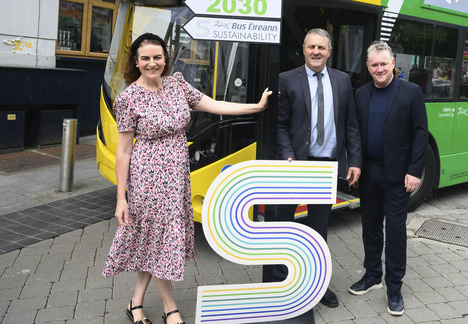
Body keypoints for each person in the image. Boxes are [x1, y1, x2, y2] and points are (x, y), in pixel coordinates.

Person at [102, 33, 272, 324]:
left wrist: (255, 107)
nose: (152, 63)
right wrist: (122, 197)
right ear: (136, 61)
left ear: (166, 58)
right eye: (145, 58)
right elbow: (123, 152)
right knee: (160, 242)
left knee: (153, 241)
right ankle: (171, 308)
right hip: (149, 181)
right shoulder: (128, 98)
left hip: (178, 178)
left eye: (157, 57)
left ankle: (136, 304)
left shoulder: (177, 85)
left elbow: (213, 104)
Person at [266, 28, 362, 308]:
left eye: (321, 47)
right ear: (304, 50)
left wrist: (354, 160)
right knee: (284, 222)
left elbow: (351, 124)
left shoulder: (343, 81)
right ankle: (281, 280)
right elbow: (281, 125)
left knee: (319, 228)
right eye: (311, 47)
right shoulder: (287, 79)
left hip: (326, 166)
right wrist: (287, 155)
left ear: (329, 51)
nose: (316, 52)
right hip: (296, 163)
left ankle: (316, 284)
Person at [349, 40, 428, 316]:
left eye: (384, 63)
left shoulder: (411, 92)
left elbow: (420, 134)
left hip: (398, 175)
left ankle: (394, 286)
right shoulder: (360, 93)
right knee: (370, 226)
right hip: (369, 172)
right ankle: (372, 275)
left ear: (393, 64)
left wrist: (415, 170)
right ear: (368, 67)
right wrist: (355, 165)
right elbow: (355, 133)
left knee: (395, 231)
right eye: (374, 65)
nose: (379, 68)